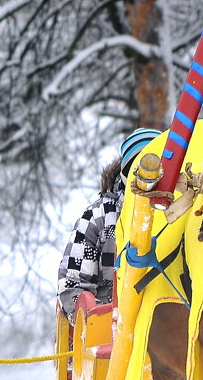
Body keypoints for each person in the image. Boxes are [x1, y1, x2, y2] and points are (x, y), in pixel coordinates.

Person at [56, 127, 161, 320]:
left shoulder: (179, 213)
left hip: (168, 322)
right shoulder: (99, 218)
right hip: (111, 323)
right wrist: (101, 318)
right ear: (128, 174)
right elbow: (73, 284)